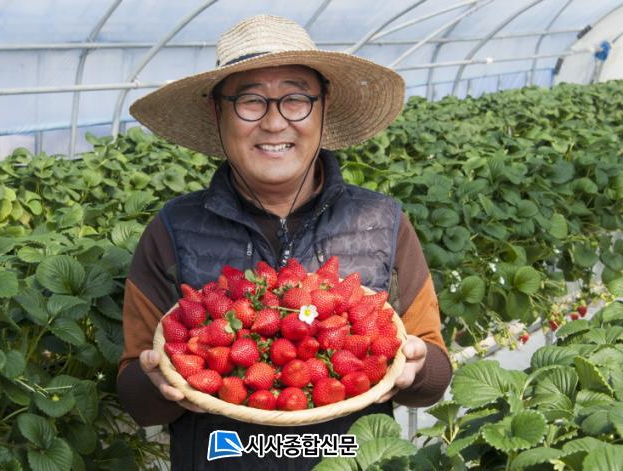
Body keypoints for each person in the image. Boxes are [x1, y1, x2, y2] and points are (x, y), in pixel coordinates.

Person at [117, 14, 452, 470]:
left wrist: (416, 369)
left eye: (296, 99)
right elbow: (137, 397)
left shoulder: (382, 221)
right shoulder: (172, 229)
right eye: (250, 101)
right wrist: (158, 382)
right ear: (218, 112)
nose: (274, 123)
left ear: (323, 107)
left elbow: (434, 374)